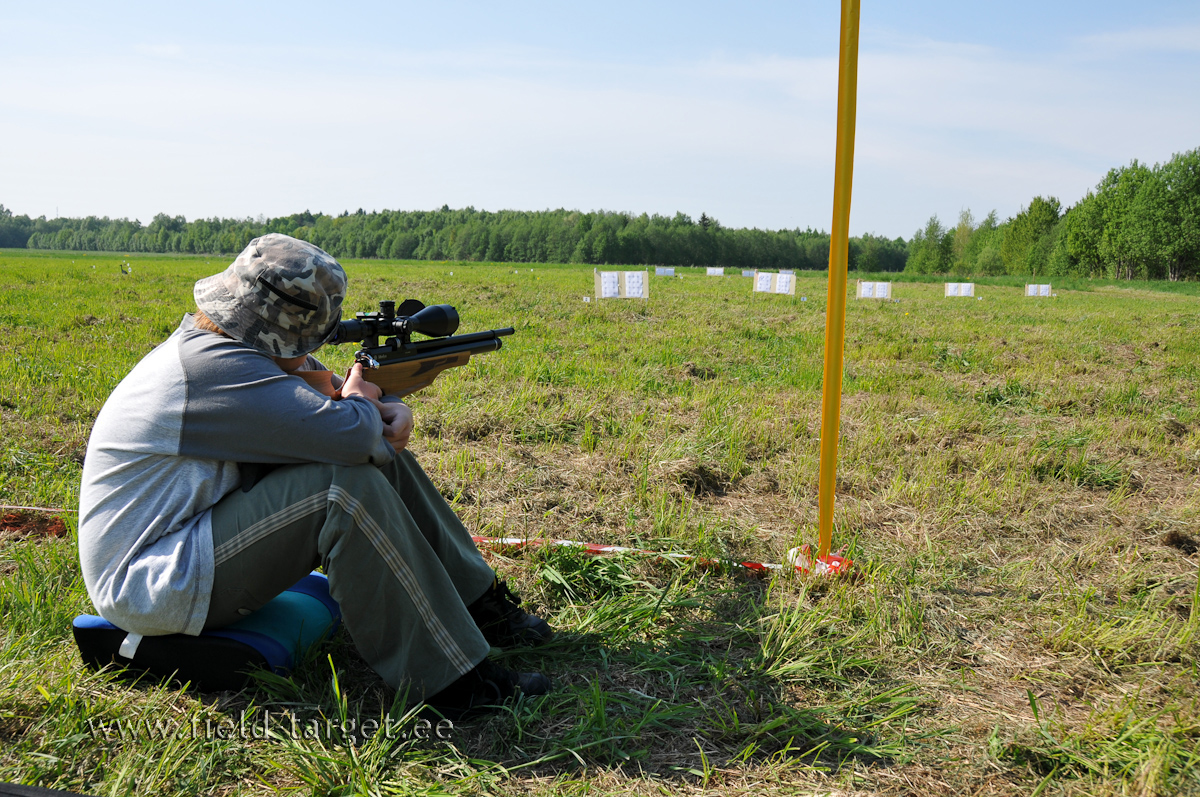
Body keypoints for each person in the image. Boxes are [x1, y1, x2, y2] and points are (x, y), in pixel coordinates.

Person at [78, 233, 552, 716]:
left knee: (378, 462)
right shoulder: (211, 372)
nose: (309, 354)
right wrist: (372, 417)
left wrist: (390, 408)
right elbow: (349, 433)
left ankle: (480, 604)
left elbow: (341, 404)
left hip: (188, 545)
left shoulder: (234, 350)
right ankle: (452, 682)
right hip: (150, 583)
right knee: (340, 487)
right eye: (304, 341)